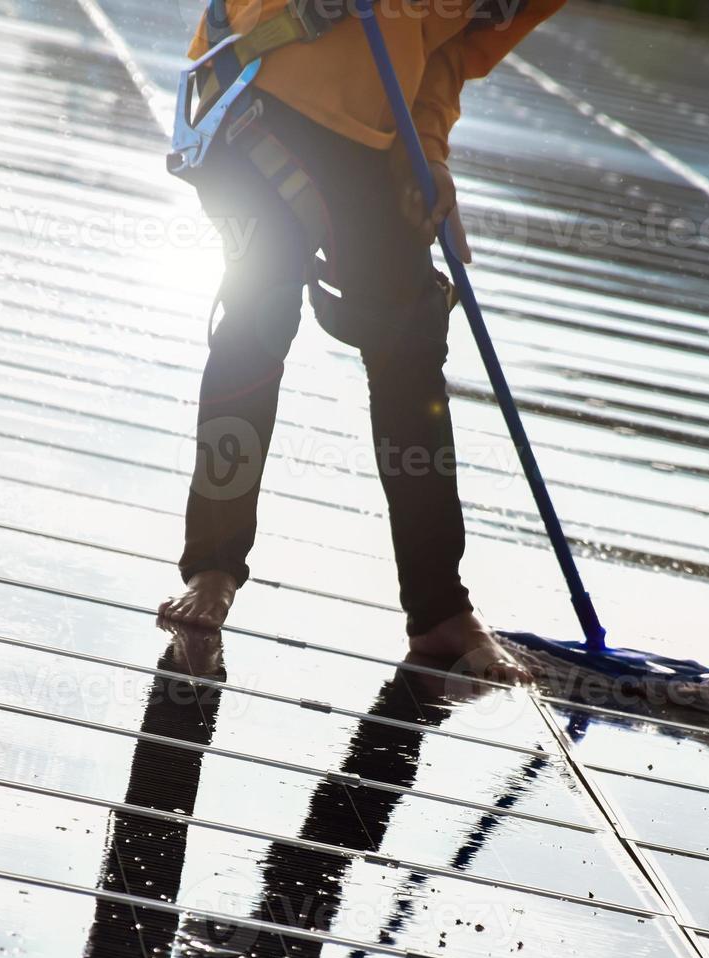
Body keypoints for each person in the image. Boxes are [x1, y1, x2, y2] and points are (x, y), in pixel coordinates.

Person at [159, 0, 560, 683]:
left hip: (373, 139)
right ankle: (214, 567)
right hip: (258, 83)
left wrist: (426, 153)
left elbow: (448, 53)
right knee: (260, 310)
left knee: (411, 345)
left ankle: (438, 608)